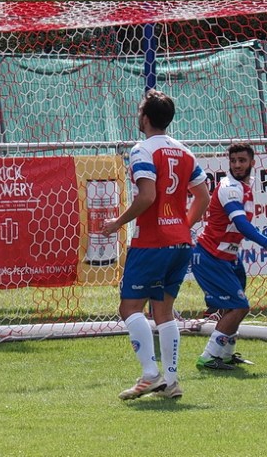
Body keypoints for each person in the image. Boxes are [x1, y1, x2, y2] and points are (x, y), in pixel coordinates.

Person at [102, 89, 210, 400]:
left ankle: (150, 374)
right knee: (164, 311)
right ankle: (171, 381)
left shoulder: (142, 150)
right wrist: (181, 227)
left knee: (130, 307)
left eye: (139, 113)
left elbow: (147, 196)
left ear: (145, 119)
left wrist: (118, 223)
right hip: (179, 242)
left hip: (151, 242)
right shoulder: (185, 152)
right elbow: (202, 196)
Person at [192, 143, 263, 370]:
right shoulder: (229, 187)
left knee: (234, 307)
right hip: (210, 255)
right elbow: (241, 225)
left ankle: (226, 353)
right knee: (240, 306)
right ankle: (209, 356)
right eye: (233, 161)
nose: (237, 165)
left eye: (242, 160)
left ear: (253, 162)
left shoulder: (246, 186)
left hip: (228, 257)